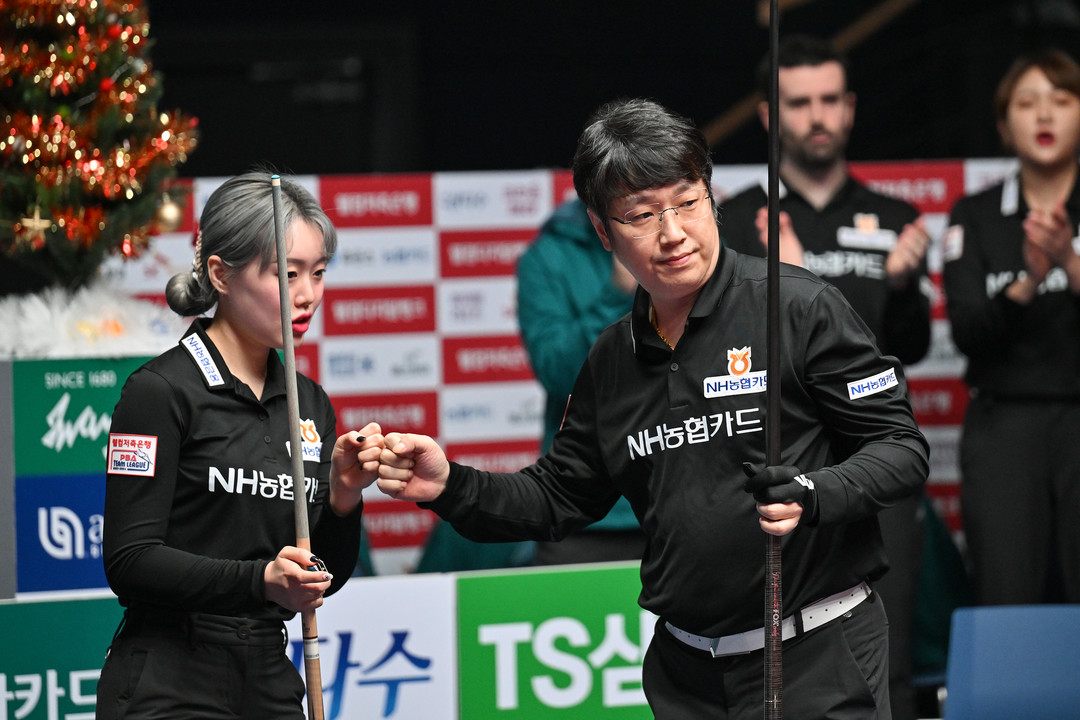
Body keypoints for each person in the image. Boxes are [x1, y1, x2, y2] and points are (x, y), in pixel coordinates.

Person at [377, 98, 929, 719]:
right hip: (685, 676)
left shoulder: (798, 306)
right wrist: (449, 485)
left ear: (711, 198)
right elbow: (557, 497)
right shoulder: (612, 358)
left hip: (813, 655)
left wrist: (815, 491)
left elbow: (900, 449)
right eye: (641, 215)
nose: (672, 233)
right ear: (602, 230)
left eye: (687, 202)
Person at [97, 171, 384, 719]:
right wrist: (261, 581)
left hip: (269, 675)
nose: (307, 295)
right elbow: (129, 561)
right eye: (287, 274)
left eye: (319, 273)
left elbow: (323, 578)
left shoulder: (310, 403)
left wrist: (345, 496)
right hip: (168, 678)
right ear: (220, 274)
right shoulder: (159, 392)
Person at [719, 35, 932, 720]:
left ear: (851, 107)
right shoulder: (730, 222)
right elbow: (722, 352)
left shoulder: (895, 220)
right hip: (770, 468)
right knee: (763, 654)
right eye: (799, 102)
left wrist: (901, 289)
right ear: (768, 114)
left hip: (872, 460)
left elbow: (910, 349)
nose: (817, 116)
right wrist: (795, 273)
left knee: (887, 651)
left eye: (830, 99)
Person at [942, 48, 1080, 607]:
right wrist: (1030, 280)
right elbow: (968, 332)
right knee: (1005, 596)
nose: (1044, 115)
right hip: (1004, 429)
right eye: (1027, 103)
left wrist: (1068, 262)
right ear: (1004, 125)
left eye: (1061, 100)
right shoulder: (973, 215)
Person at [516, 197, 645, 564]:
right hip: (585, 513)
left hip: (686, 501)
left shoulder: (690, 240)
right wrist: (618, 294)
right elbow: (558, 374)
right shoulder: (548, 256)